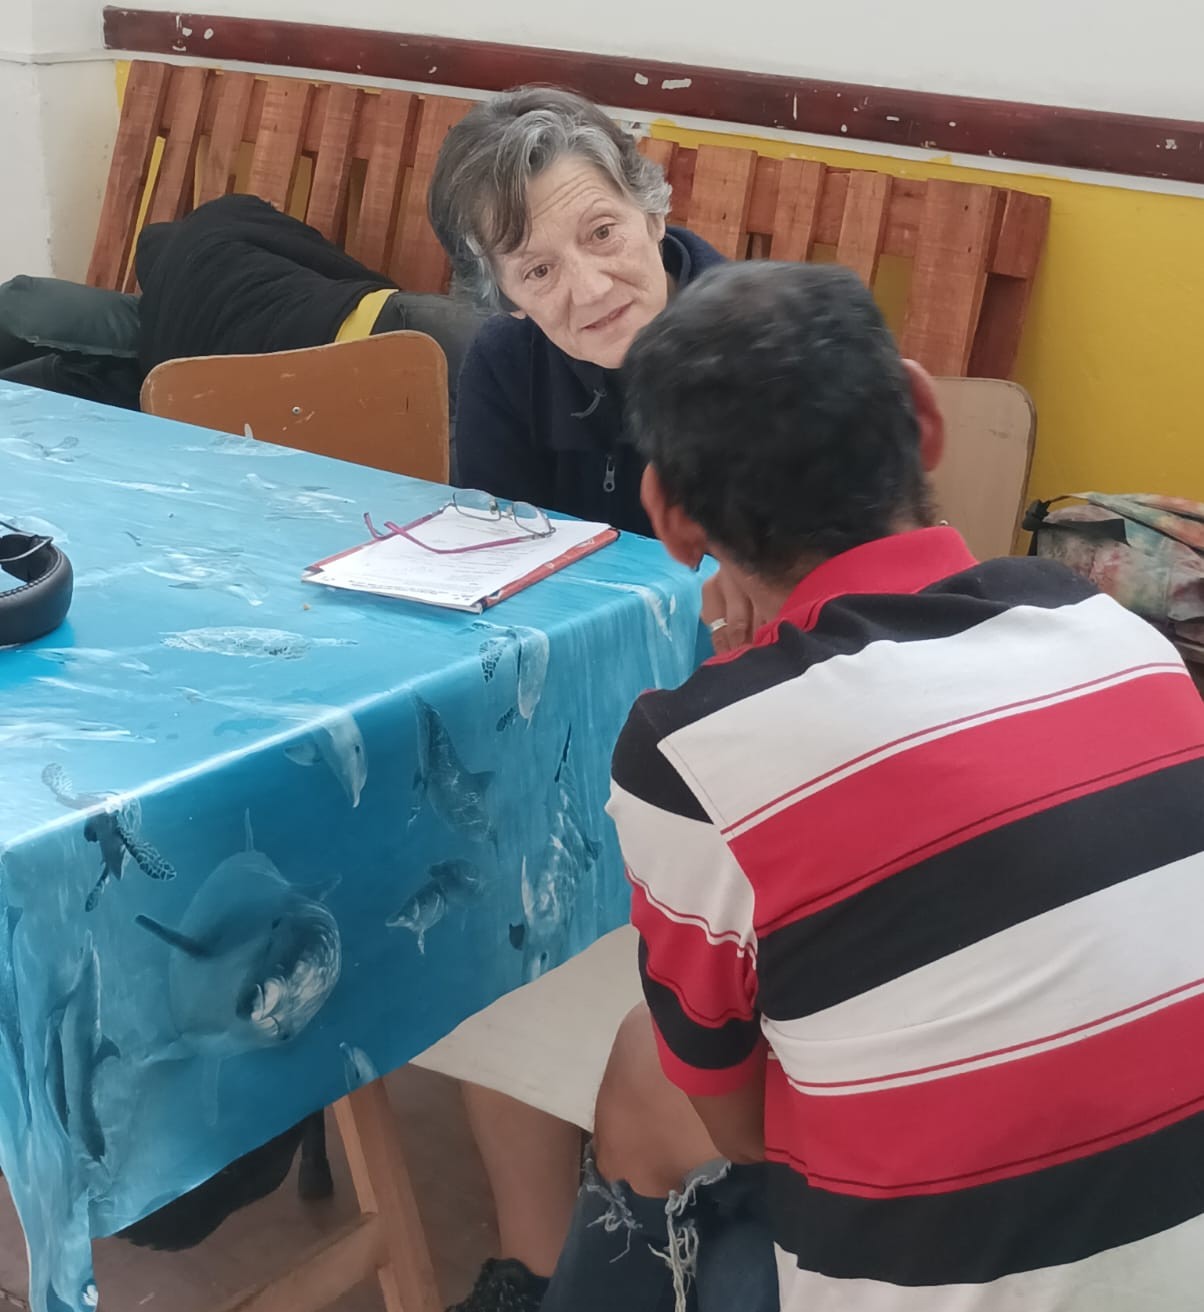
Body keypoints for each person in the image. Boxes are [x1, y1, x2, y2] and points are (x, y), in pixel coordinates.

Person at [543, 258, 1204, 1311]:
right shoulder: (1120, 639)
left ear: (670, 518)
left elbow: (744, 1127)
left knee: (652, 1069)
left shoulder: (694, 754)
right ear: (923, 417)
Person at [424, 86, 777, 1311]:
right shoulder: (507, 371)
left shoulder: (753, 343)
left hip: (747, 752)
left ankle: (656, 1219)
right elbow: (500, 577)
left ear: (650, 206)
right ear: (500, 292)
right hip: (578, 731)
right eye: (534, 268)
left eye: (603, 234)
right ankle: (530, 1268)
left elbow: (813, 595)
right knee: (489, 924)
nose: (585, 286)